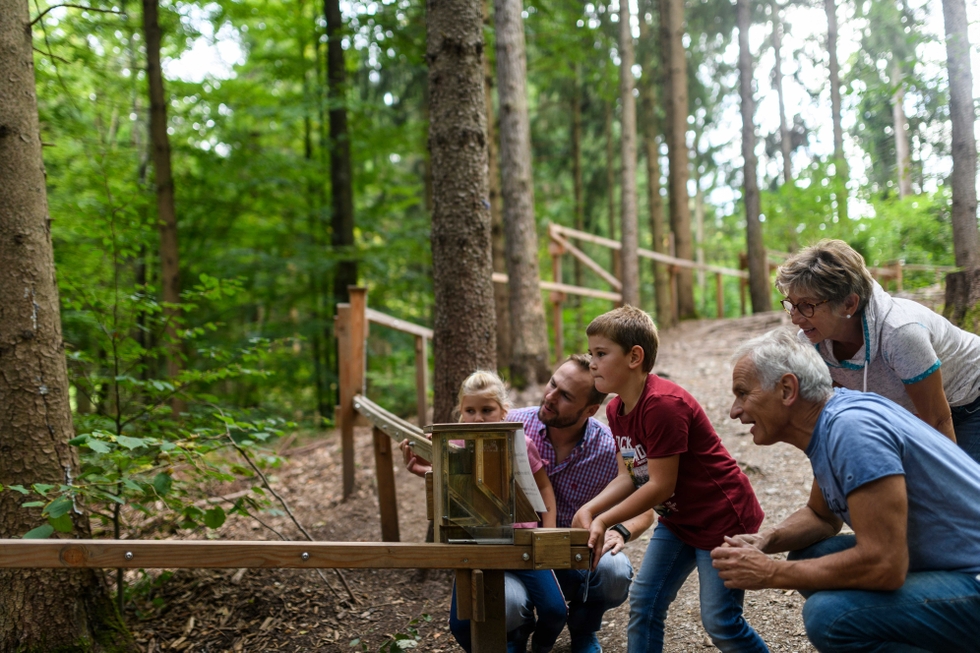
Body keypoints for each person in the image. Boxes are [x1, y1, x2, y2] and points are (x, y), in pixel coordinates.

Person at [713, 327, 980, 652]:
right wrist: (766, 540)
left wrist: (771, 573)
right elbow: (820, 516)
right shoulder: (833, 420)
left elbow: (885, 565)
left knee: (829, 616)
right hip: (948, 560)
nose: (734, 411)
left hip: (972, 574)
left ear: (786, 390)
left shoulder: (853, 432)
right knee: (811, 554)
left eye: (743, 393)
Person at [400, 355, 655, 653]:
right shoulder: (507, 426)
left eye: (565, 396)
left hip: (571, 553)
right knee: (503, 604)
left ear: (589, 410)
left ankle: (584, 630)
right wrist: (430, 468)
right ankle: (515, 638)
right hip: (516, 551)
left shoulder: (610, 445)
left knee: (615, 570)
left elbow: (647, 506)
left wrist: (621, 531)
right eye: (552, 384)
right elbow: (465, 471)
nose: (550, 396)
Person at [575, 306, 768, 653]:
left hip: (721, 519)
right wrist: (589, 511)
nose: (591, 362)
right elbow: (630, 476)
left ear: (635, 357)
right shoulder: (616, 410)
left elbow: (660, 485)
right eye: (591, 353)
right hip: (679, 521)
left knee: (721, 622)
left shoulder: (663, 405)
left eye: (601, 354)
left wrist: (605, 520)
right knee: (645, 603)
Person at [775, 238, 980, 463]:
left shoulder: (900, 333)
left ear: (849, 305)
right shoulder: (813, 343)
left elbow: (938, 420)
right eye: (791, 305)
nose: (795, 318)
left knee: (967, 488)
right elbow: (845, 409)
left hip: (971, 398)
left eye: (807, 306)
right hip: (918, 409)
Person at [441, 370, 566, 653]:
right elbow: (443, 486)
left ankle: (539, 646)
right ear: (460, 413)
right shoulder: (454, 448)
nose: (478, 418)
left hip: (522, 543)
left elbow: (544, 487)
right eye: (469, 410)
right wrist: (420, 469)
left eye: (487, 410)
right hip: (476, 545)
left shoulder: (521, 444)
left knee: (555, 610)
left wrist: (547, 529)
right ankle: (507, 645)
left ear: (503, 411)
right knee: (460, 625)